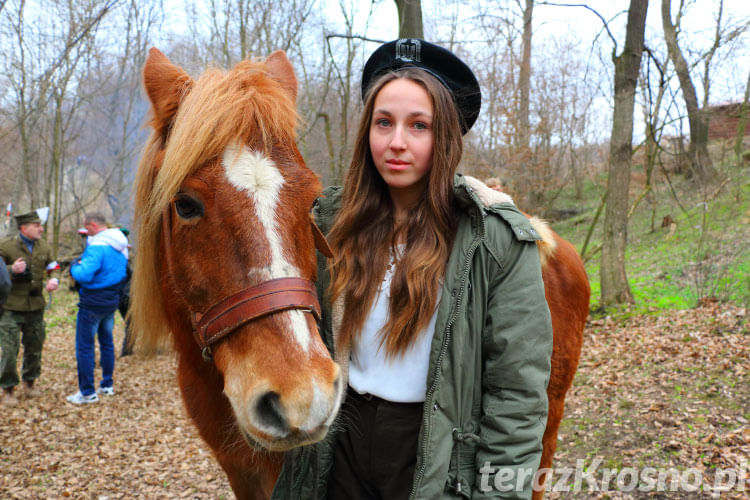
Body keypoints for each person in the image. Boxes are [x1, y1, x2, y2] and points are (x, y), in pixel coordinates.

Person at [271, 39, 553, 500]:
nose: (396, 142)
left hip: (433, 448)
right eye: (384, 123)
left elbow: (518, 396)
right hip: (339, 446)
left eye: (418, 126)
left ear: (444, 137)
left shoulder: (495, 239)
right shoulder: (328, 224)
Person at [67, 213, 128, 404]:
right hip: (111, 301)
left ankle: (87, 393)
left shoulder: (98, 246)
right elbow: (122, 273)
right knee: (107, 343)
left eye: (87, 228)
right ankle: (107, 385)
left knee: (85, 347)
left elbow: (84, 275)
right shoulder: (120, 244)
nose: (87, 233)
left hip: (92, 303)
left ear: (93, 225)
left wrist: (73, 267)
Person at [0, 211, 60, 406]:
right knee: (10, 349)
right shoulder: (6, 246)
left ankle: (30, 383)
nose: (41, 229)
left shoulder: (43, 245)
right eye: (37, 225)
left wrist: (54, 279)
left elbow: (53, 265)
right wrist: (11, 270)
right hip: (11, 307)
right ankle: (8, 389)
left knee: (34, 347)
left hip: (36, 306)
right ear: (24, 228)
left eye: (40, 225)